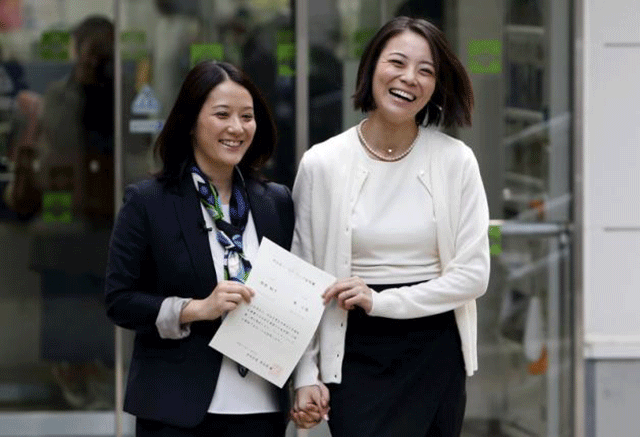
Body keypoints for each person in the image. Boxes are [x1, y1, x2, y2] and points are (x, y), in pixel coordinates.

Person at [290, 16, 490, 437]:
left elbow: (474, 275)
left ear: (437, 85)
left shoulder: (456, 161)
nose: (409, 78)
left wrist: (384, 302)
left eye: (426, 70)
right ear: (371, 68)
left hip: (435, 350)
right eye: (397, 62)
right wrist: (305, 373)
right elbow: (302, 276)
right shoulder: (322, 163)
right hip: (354, 349)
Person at [105, 61, 294, 437]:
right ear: (191, 121)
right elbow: (119, 300)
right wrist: (195, 309)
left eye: (247, 116)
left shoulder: (276, 202)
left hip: (262, 409)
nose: (237, 128)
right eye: (222, 115)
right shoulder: (149, 201)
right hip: (177, 411)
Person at [2, 15, 116, 409]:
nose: (95, 58)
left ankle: (99, 402)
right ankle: (74, 404)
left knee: (106, 337)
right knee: (67, 344)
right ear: (75, 49)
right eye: (89, 48)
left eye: (103, 50)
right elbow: (47, 159)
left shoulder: (124, 100)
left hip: (108, 236)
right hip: (63, 233)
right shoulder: (56, 97)